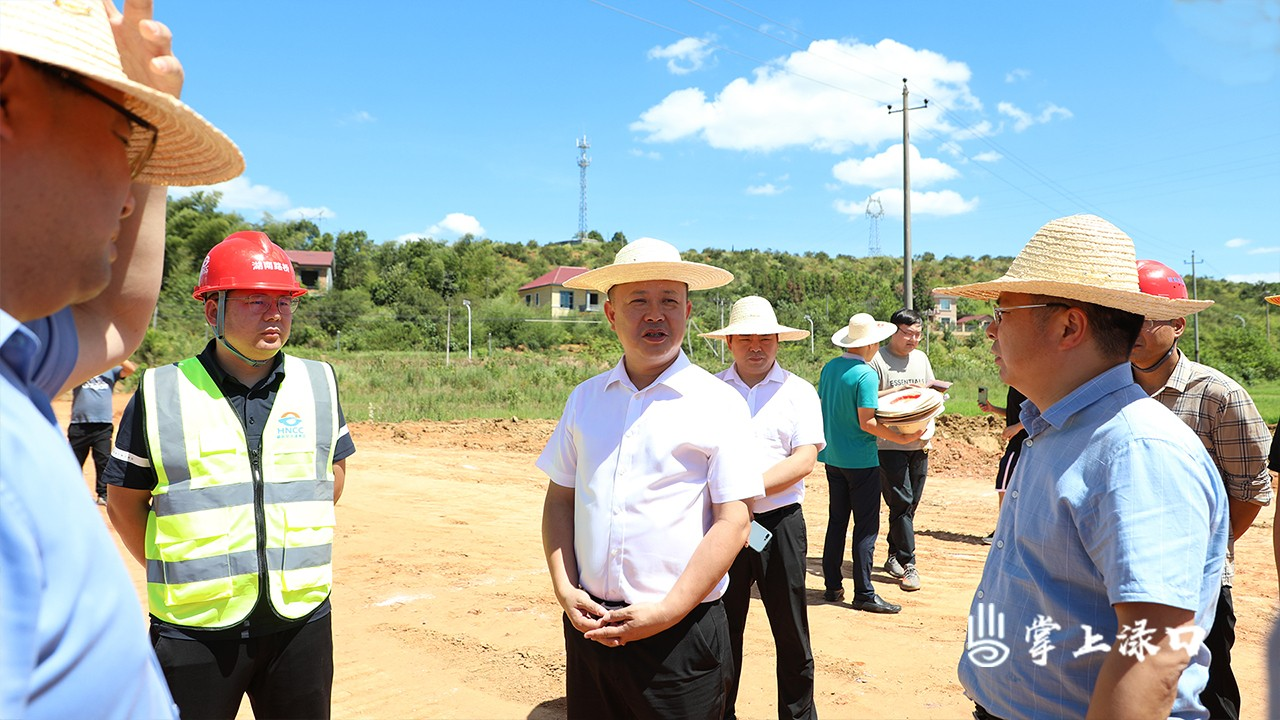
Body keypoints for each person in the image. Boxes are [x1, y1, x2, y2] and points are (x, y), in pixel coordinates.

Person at [0, 2, 242, 718]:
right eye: (126, 137)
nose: (132, 190)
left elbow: (114, 315)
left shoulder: (15, 364)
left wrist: (149, 129)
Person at [939, 214, 1227, 720]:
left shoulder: (1137, 450)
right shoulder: (1056, 430)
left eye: (1003, 312)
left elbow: (1154, 652)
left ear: (1069, 324)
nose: (990, 328)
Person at [104, 232, 355, 719]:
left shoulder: (318, 380)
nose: (273, 314)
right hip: (195, 629)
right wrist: (187, 571)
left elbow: (331, 478)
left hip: (300, 621)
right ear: (210, 309)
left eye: (284, 302)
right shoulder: (161, 392)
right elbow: (123, 503)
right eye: (255, 299)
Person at [538, 238, 763, 719]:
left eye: (668, 301)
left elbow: (734, 522)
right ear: (611, 314)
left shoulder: (720, 403)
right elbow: (560, 499)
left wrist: (668, 611)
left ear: (688, 309)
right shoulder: (585, 399)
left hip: (680, 638)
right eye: (638, 301)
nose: (655, 315)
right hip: (590, 626)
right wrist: (564, 589)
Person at [1130, 259, 1272, 720]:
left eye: (1147, 319)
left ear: (1177, 324)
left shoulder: (1218, 395)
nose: (1134, 330)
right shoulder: (1107, 392)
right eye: (1125, 317)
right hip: (1120, 575)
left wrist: (1202, 552)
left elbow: (1250, 490)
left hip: (1199, 583)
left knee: (1206, 693)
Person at [699, 295, 825, 720]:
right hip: (720, 524)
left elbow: (804, 460)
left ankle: (798, 716)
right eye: (746, 338)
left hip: (780, 523)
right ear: (730, 342)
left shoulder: (799, 392)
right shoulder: (709, 392)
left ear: (778, 341)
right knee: (722, 624)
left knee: (790, 631)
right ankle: (721, 713)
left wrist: (742, 489)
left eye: (765, 338)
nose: (757, 346)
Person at [818, 313, 924, 615]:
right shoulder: (865, 374)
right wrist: (901, 439)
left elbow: (839, 403)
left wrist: (888, 394)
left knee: (836, 522)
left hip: (833, 458)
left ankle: (832, 586)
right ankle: (863, 592)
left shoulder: (831, 368)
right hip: (861, 461)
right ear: (871, 343)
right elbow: (867, 422)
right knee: (866, 528)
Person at [868, 307, 936, 592]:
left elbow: (929, 388)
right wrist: (898, 391)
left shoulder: (920, 358)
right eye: (907, 333)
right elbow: (868, 397)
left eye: (918, 334)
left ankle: (893, 554)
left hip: (920, 441)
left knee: (910, 504)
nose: (913, 340)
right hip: (889, 444)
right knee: (902, 501)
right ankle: (909, 564)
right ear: (893, 331)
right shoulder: (876, 360)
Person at [69, 359, 137, 505]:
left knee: (103, 461)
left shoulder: (111, 370)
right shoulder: (79, 369)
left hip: (103, 424)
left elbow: (130, 369)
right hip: (79, 424)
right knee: (74, 461)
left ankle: (103, 494)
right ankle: (73, 494)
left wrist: (115, 356)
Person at [976, 385, 1027, 544]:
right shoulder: (1018, 385)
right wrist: (993, 409)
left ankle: (1003, 531)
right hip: (1021, 443)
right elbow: (1017, 413)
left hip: (1020, 444)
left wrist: (1016, 428)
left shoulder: (1026, 384)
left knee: (1004, 486)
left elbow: (1040, 412)